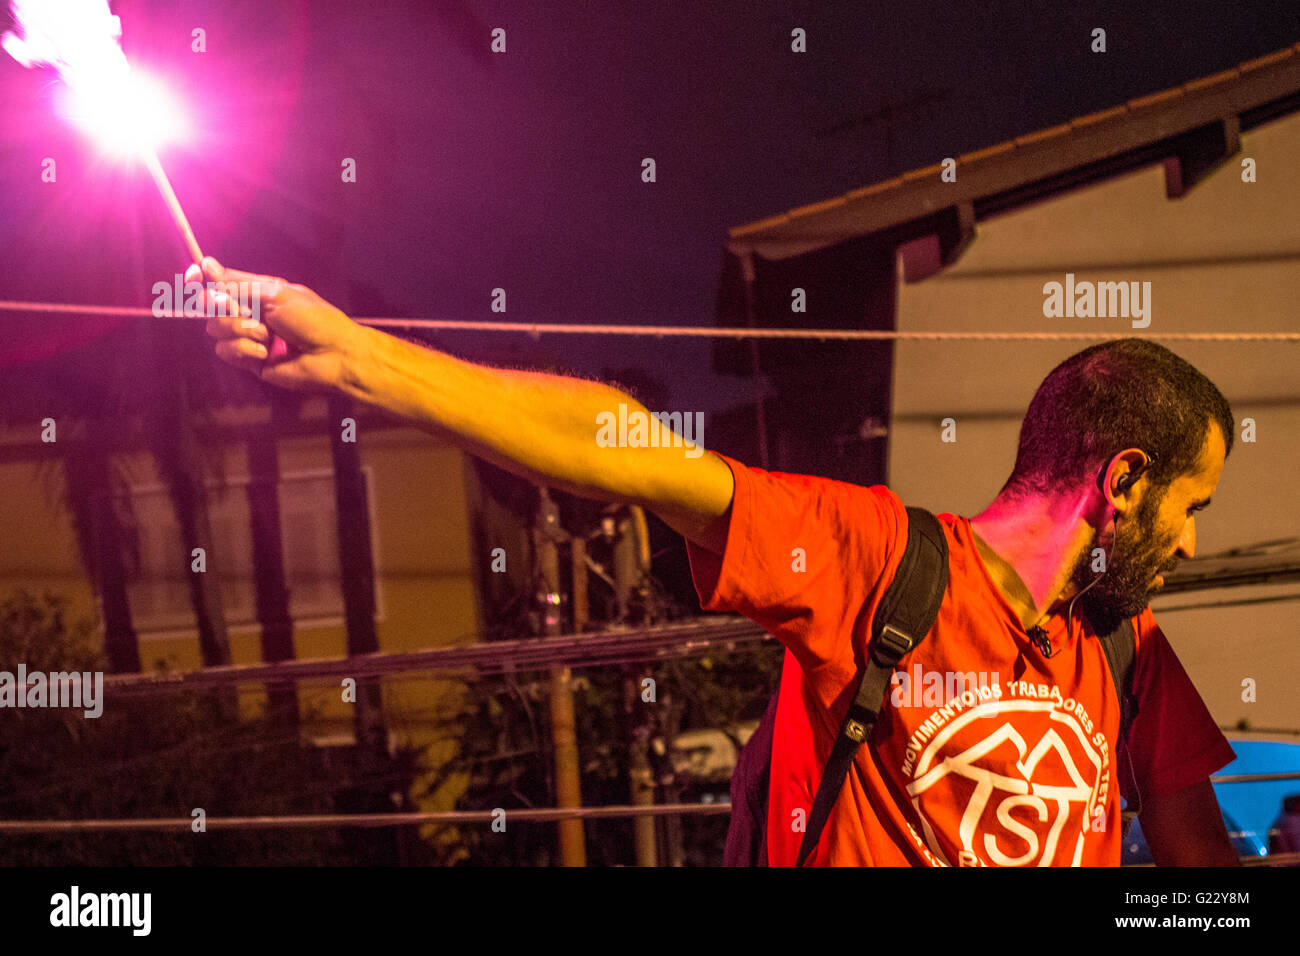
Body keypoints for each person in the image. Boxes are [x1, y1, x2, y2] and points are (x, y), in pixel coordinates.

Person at [193, 257, 1240, 866]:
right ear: (1124, 478)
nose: (1191, 540)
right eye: (1190, 503)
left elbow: (1198, 877)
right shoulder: (883, 560)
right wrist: (361, 358)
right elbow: (639, 453)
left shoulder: (1121, 646)